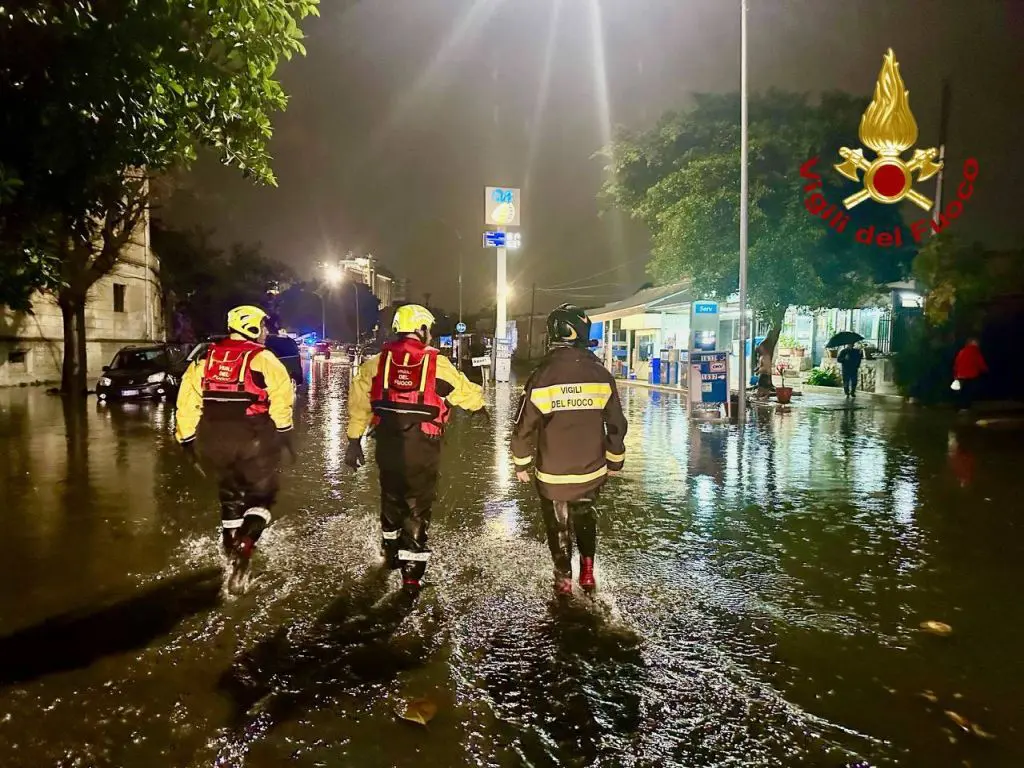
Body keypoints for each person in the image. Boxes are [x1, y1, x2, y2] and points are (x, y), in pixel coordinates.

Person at [344, 303, 486, 594]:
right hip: (424, 446)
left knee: (391, 494)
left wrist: (353, 441)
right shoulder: (437, 363)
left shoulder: (375, 363)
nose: (430, 335)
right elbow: (466, 392)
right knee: (418, 505)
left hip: (387, 444)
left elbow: (358, 404)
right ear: (421, 329)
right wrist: (479, 405)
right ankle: (412, 576)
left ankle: (390, 550)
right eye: (428, 330)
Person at [175, 305, 295, 594]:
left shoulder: (204, 358)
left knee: (229, 499)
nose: (266, 332)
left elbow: (186, 402)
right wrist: (285, 434)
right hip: (253, 439)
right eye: (263, 327)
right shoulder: (264, 359)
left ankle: (232, 557)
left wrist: (186, 439)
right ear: (251, 328)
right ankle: (246, 542)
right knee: (262, 498)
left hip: (214, 442)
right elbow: (282, 398)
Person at [510, 304, 628, 595]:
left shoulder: (541, 376)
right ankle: (588, 572)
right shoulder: (601, 375)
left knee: (558, 526)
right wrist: (614, 460)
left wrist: (521, 463)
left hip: (552, 474)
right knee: (586, 515)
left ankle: (563, 580)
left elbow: (523, 426)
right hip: (591, 470)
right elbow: (617, 424)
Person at [953, 337, 988, 411]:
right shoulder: (975, 351)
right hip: (971, 375)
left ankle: (960, 406)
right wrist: (985, 369)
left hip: (960, 375)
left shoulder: (962, 351)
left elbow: (957, 363)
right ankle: (965, 407)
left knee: (962, 391)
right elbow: (980, 362)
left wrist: (955, 374)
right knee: (968, 391)